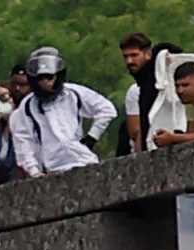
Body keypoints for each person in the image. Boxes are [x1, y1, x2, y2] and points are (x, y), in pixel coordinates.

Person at [8, 46, 117, 176]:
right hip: (53, 168)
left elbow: (107, 109)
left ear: (58, 76)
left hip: (84, 161)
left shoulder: (73, 93)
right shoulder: (28, 107)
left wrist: (91, 138)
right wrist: (34, 171)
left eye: (49, 78)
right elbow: (23, 142)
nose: (45, 83)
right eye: (40, 78)